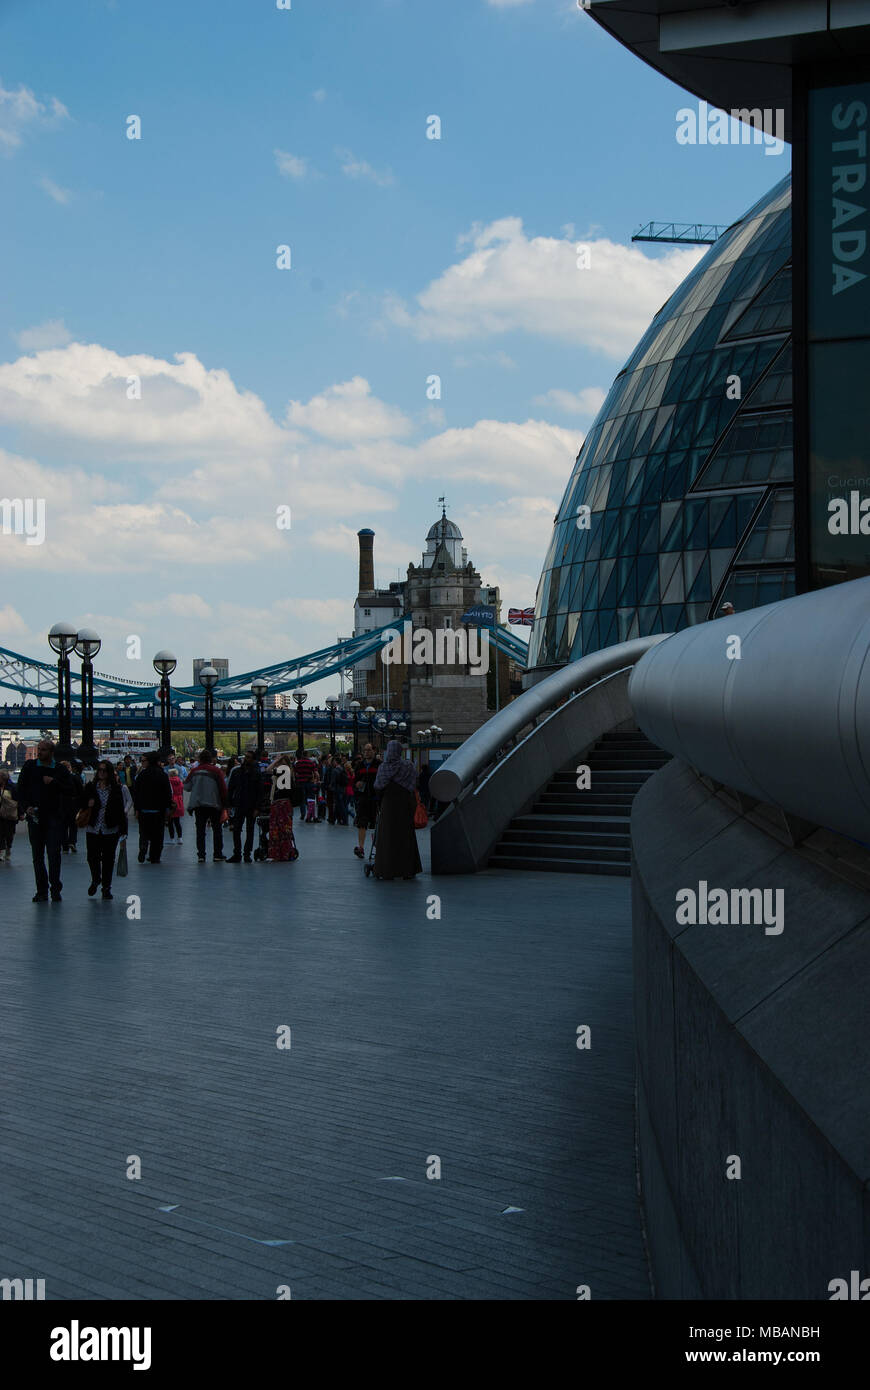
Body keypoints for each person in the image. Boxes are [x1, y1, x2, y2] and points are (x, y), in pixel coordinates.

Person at [12, 738, 76, 902]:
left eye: (43, 750)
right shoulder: (30, 767)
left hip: (54, 817)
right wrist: (26, 807)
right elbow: (21, 790)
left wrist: (54, 782)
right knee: (37, 856)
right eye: (39, 749)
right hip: (35, 818)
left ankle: (55, 888)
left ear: (51, 753)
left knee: (54, 854)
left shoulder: (60, 770)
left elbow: (70, 789)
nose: (39, 752)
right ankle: (42, 890)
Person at [372, 740, 421, 881]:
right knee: (406, 836)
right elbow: (414, 783)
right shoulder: (408, 765)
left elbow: (378, 786)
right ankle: (408, 870)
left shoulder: (384, 767)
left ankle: (387, 870)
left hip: (389, 806)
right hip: (406, 805)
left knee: (388, 837)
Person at [80, 760, 128, 900]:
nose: (101, 773)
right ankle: (96, 878)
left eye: (104, 770)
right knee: (92, 857)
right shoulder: (90, 787)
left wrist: (123, 832)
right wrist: (87, 803)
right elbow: (79, 801)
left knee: (108, 859)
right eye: (99, 770)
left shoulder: (116, 789)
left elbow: (121, 812)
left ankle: (106, 887)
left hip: (110, 829)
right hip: (93, 827)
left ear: (109, 773)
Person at [186, 748, 228, 862]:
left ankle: (201, 855)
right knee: (217, 830)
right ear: (210, 759)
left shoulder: (194, 771)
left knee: (200, 831)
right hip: (214, 804)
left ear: (200, 759)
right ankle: (217, 854)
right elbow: (223, 789)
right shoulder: (216, 771)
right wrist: (225, 804)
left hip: (199, 805)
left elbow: (187, 787)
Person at [133, 751, 173, 864]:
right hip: (158, 810)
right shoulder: (162, 775)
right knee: (157, 835)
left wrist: (137, 808)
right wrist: (167, 808)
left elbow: (136, 792)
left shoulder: (142, 775)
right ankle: (154, 856)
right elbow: (167, 793)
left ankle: (143, 846)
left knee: (144, 832)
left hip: (144, 810)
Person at [226, 748, 262, 862]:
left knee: (248, 830)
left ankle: (245, 854)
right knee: (238, 830)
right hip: (240, 804)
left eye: (248, 757)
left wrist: (257, 807)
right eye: (245, 756)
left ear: (253, 760)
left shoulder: (253, 773)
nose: (245, 759)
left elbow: (259, 792)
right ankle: (239, 853)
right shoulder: (239, 772)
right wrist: (229, 804)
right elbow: (231, 789)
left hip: (249, 805)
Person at [267, 754, 297, 862]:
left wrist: (276, 761)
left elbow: (268, 770)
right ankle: (286, 852)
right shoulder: (289, 772)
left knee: (277, 829)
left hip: (279, 802)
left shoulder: (283, 771)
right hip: (286, 803)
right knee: (285, 829)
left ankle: (278, 853)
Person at [352, 744, 380, 859]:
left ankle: (377, 847)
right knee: (362, 824)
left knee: (377, 824)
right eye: (365, 750)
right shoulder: (360, 765)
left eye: (369, 750)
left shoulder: (379, 765)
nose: (367, 752)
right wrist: (356, 784)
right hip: (363, 798)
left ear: (374, 751)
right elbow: (355, 780)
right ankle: (361, 847)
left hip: (376, 798)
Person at [60, 758, 83, 854]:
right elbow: (81, 791)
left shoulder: (58, 779)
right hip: (73, 804)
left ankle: (65, 846)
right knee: (73, 825)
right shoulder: (75, 778)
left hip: (62, 805)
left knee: (63, 826)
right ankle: (72, 842)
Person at [293, 747, 318, 823]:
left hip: (300, 783)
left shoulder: (298, 763)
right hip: (309, 782)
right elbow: (316, 773)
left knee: (302, 799)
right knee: (310, 799)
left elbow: (295, 773)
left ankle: (303, 814)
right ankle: (309, 813)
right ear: (307, 755)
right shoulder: (311, 763)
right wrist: (315, 780)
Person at [0, 766, 18, 862]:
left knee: (9, 834)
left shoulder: (12, 787)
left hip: (10, 814)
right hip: (0, 814)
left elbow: (17, 801)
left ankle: (8, 848)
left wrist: (21, 813)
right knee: (0, 833)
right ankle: (2, 852)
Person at [166, 764, 185, 845]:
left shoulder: (168, 781)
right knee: (177, 822)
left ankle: (172, 838)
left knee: (170, 822)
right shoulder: (180, 782)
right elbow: (181, 791)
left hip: (171, 801)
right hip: (179, 801)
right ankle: (180, 838)